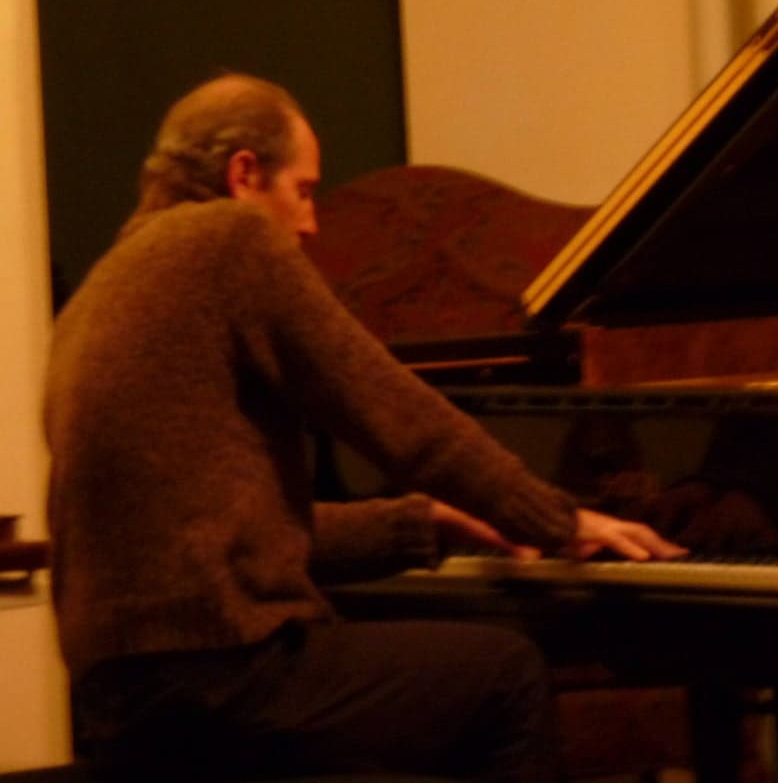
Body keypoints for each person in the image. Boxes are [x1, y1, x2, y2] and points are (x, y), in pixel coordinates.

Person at [44, 72, 685, 783]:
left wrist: (423, 522)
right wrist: (557, 519)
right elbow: (397, 414)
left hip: (120, 697)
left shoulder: (104, 288)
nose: (311, 223)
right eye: (305, 190)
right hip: (222, 675)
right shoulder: (227, 239)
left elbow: (235, 534)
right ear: (244, 174)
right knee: (505, 677)